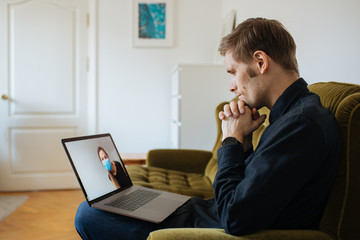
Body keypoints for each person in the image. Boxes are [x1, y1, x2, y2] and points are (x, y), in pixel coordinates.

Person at [74, 18, 341, 239]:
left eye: (232, 72)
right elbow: (253, 189)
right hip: (208, 212)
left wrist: (232, 141)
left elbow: (235, 217)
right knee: (111, 203)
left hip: (210, 223)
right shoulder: (293, 115)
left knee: (89, 213)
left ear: (260, 62)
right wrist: (244, 143)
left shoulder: (300, 125)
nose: (231, 87)